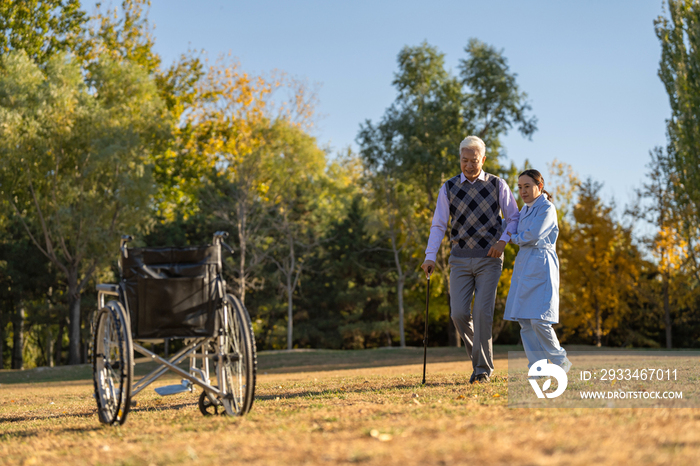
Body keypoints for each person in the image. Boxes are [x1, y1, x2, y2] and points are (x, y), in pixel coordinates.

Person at [421, 136, 520, 383]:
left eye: (473, 161)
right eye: (464, 160)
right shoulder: (449, 187)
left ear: (483, 159)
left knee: (483, 312)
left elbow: (514, 218)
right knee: (458, 314)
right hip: (460, 259)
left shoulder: (498, 185)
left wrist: (503, 241)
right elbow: (439, 224)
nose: (468, 165)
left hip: (490, 258)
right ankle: (480, 359)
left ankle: (482, 370)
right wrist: (430, 255)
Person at [504, 169, 571, 372]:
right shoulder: (523, 211)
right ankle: (538, 367)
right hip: (524, 264)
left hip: (541, 264)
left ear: (539, 186)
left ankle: (561, 361)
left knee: (539, 320)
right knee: (524, 320)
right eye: (520, 187)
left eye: (527, 186)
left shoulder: (547, 208)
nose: (523, 191)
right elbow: (511, 227)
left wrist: (511, 237)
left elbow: (532, 235)